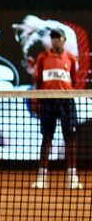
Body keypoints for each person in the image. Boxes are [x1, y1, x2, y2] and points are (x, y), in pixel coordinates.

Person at [32, 28, 83, 190]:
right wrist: (41, 100)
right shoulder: (42, 57)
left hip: (66, 101)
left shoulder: (71, 58)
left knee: (70, 138)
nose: (55, 40)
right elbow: (38, 81)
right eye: (53, 38)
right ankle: (41, 177)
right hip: (48, 102)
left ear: (64, 40)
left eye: (58, 37)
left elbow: (74, 81)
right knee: (47, 137)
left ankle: (72, 177)